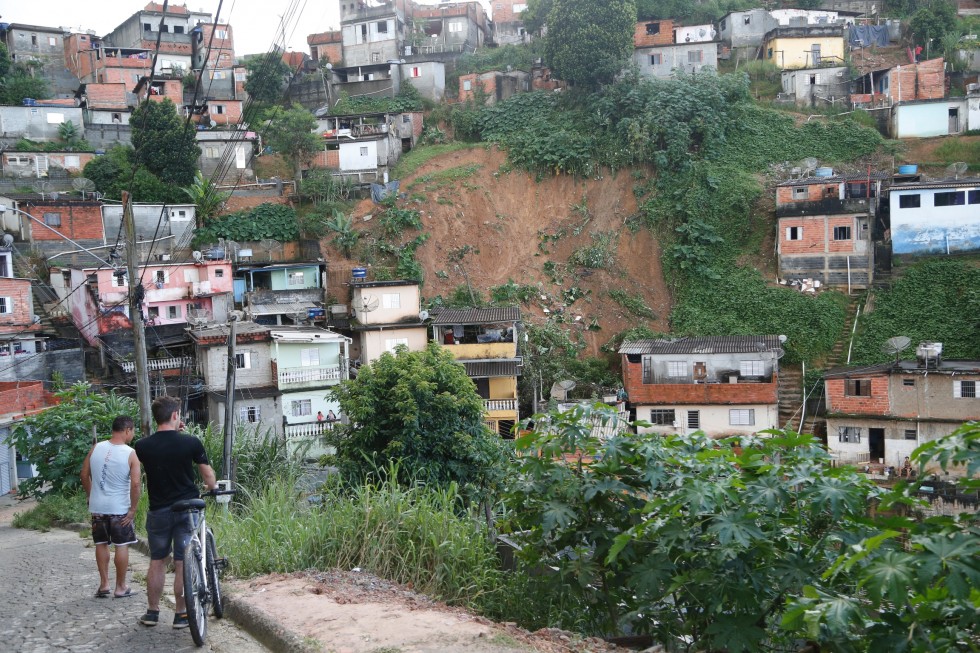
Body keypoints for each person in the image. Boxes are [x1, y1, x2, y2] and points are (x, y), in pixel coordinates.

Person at [134, 396, 217, 629]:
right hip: (186, 508)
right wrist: (213, 487)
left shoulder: (141, 446)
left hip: (158, 511)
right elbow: (208, 476)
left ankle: (152, 612)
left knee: (157, 561)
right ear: (175, 416)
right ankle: (181, 613)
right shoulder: (191, 442)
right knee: (181, 561)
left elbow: (137, 473)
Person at [80, 415, 140, 599]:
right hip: (119, 508)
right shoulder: (130, 453)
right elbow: (136, 484)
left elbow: (84, 474)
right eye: (133, 430)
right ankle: (120, 587)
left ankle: (104, 584)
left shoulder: (96, 448)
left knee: (101, 544)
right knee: (121, 546)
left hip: (98, 507)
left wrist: (91, 495)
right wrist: (133, 510)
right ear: (127, 430)